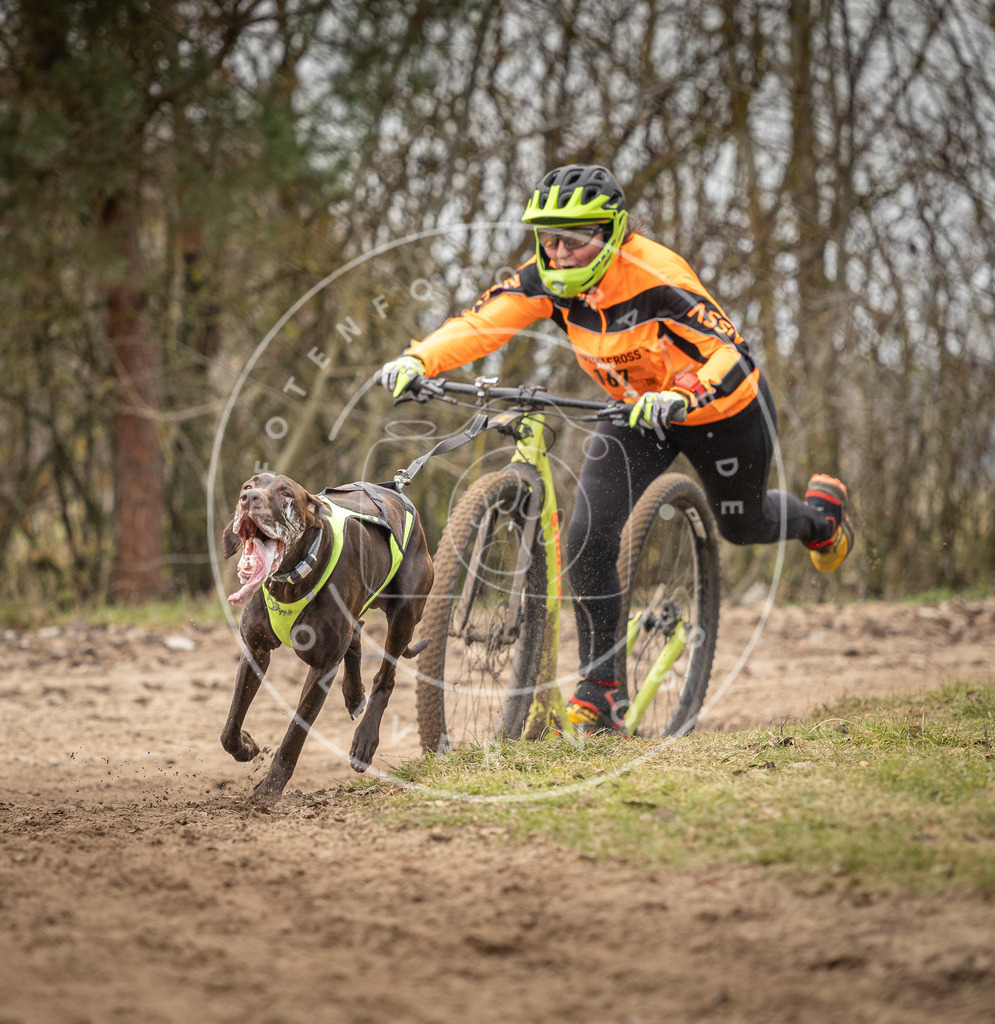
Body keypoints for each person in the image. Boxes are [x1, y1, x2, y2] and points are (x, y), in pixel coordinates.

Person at [380, 164, 853, 733]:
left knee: (742, 525)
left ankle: (820, 518)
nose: (558, 252)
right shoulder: (547, 279)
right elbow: (482, 324)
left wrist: (687, 393)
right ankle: (602, 690)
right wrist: (418, 360)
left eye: (573, 240)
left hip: (722, 413)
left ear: (610, 233)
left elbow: (730, 353)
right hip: (633, 414)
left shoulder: (656, 276)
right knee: (588, 533)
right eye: (548, 238)